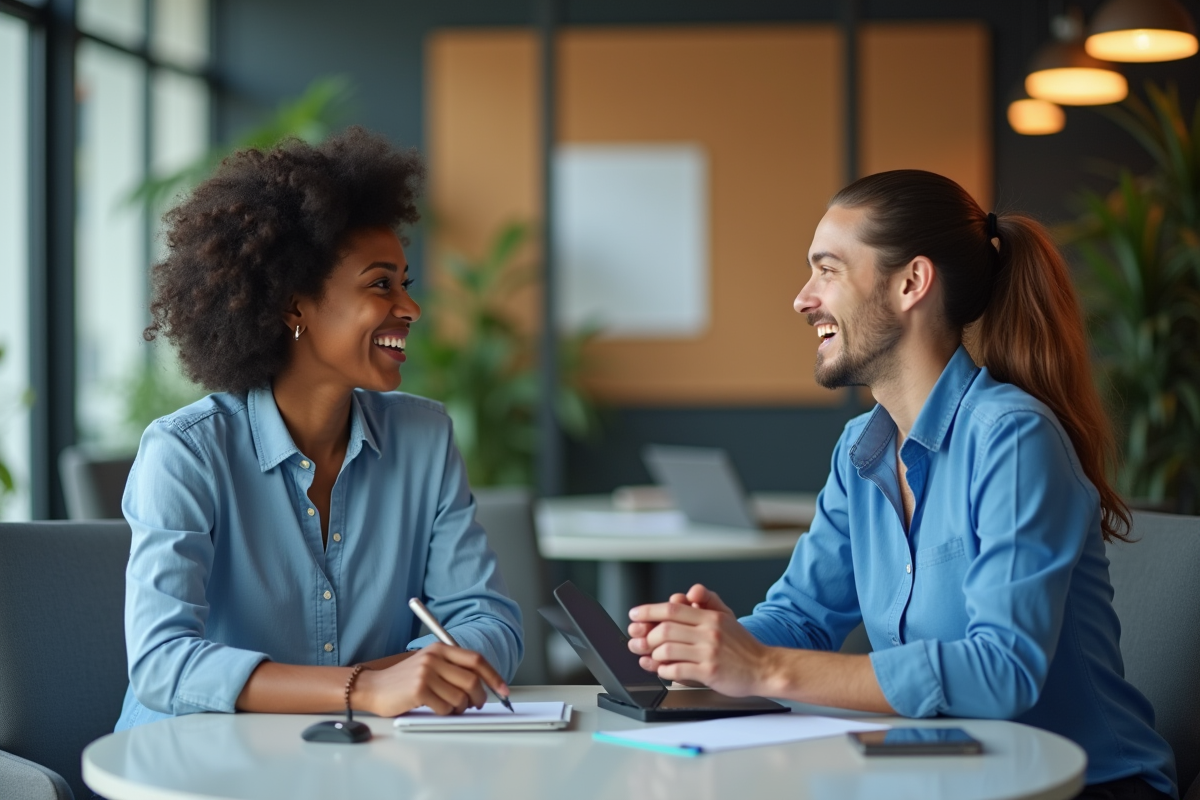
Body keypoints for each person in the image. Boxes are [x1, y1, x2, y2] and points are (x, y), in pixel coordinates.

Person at [626, 170, 1177, 799]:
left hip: (1082, 786)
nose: (803, 299)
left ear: (912, 282)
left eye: (827, 270)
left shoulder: (1013, 439)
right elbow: (803, 618)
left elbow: (1002, 671)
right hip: (948, 776)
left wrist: (765, 669)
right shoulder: (862, 449)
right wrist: (709, 650)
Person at [115, 127, 522, 731]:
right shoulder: (185, 454)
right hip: (197, 763)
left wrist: (384, 685)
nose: (409, 309)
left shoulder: (424, 438)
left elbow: (489, 621)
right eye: (380, 284)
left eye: (404, 285)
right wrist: (365, 687)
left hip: (360, 757)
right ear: (294, 305)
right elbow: (162, 664)